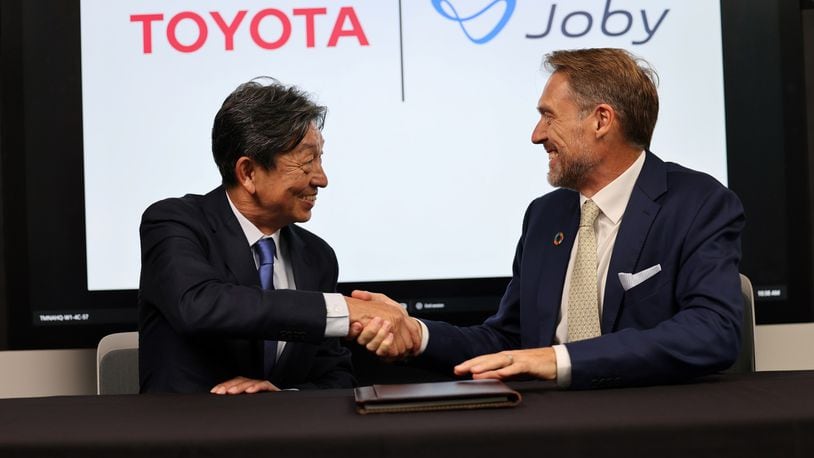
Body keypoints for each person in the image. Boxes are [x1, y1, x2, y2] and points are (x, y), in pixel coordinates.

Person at [355, 48, 745, 389]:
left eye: (548, 116)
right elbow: (508, 342)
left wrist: (560, 361)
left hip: (647, 426)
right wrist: (417, 334)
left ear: (601, 120)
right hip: (546, 428)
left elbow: (712, 331)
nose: (536, 135)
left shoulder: (698, 204)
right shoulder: (545, 215)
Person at [138, 78, 417, 394]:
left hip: (281, 438)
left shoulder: (317, 256)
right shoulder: (175, 222)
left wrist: (284, 398)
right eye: (306, 161)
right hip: (184, 435)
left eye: (320, 158)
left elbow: (337, 378)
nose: (321, 179)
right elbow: (199, 306)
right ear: (248, 173)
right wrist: (343, 309)